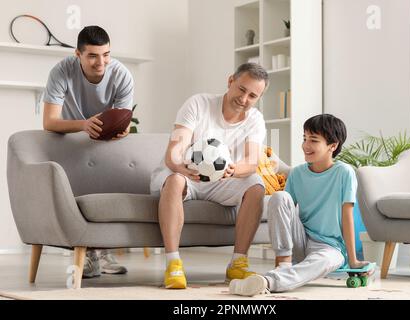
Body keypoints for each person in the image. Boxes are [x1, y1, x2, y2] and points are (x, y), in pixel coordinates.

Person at [150, 63, 268, 289]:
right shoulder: (198, 103)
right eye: (242, 89)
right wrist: (182, 167)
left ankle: (238, 265)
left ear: (258, 98)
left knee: (256, 186)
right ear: (230, 81)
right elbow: (174, 150)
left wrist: (234, 170)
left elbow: (251, 162)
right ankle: (173, 264)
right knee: (174, 179)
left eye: (252, 95)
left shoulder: (255, 119)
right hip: (187, 174)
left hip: (222, 180)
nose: (244, 99)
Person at [229, 114, 372, 296]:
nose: (306, 145)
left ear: (333, 145)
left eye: (313, 140)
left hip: (330, 247)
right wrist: (283, 252)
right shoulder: (297, 174)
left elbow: (347, 217)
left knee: (324, 262)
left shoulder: (344, 173)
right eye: (304, 138)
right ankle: (283, 263)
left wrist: (353, 260)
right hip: (300, 239)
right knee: (280, 196)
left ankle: (267, 281)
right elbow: (283, 211)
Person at [43, 25, 133, 278]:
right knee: (78, 196)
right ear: (78, 55)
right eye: (93, 56)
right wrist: (83, 125)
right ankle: (89, 255)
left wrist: (122, 130)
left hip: (105, 141)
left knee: (112, 189)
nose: (101, 62)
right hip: (69, 139)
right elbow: (49, 122)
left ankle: (104, 251)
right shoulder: (61, 71)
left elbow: (124, 118)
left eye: (106, 55)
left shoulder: (122, 75)